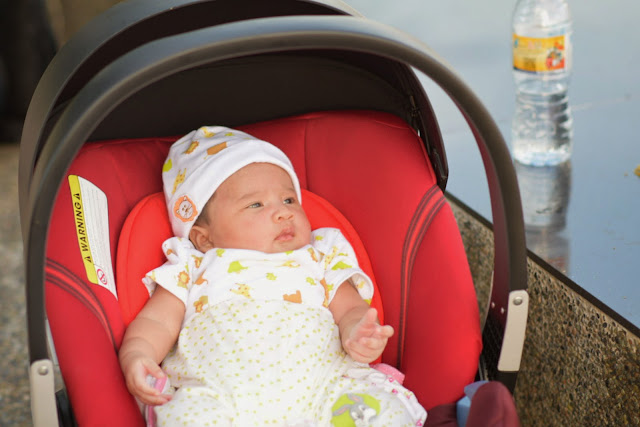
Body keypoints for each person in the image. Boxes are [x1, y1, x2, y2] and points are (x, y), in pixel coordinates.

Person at [119, 126, 427, 426]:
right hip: (223, 394)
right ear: (204, 238)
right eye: (256, 204)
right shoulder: (191, 265)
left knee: (381, 413)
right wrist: (137, 355)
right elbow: (157, 322)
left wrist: (359, 332)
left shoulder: (320, 254)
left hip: (323, 386)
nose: (284, 212)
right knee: (188, 417)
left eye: (289, 199)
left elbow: (350, 310)